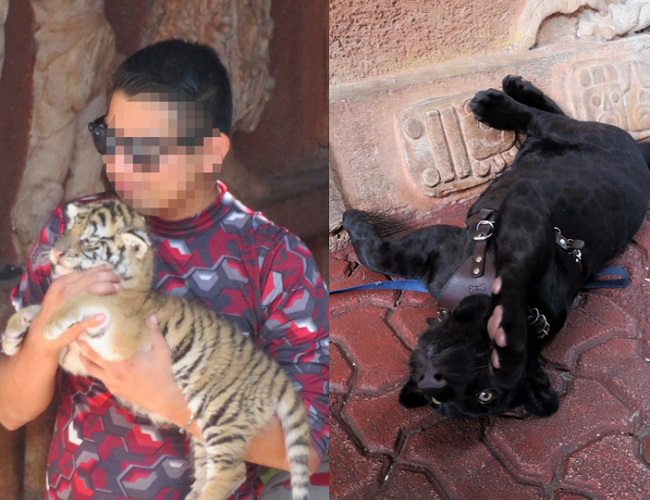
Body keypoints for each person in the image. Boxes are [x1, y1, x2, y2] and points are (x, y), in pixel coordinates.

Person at [0, 39, 329, 499]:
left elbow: (311, 442)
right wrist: (42, 339)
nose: (119, 164)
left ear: (211, 151)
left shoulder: (274, 259)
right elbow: (11, 411)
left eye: (147, 149)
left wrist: (173, 401)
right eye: (109, 139)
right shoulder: (74, 230)